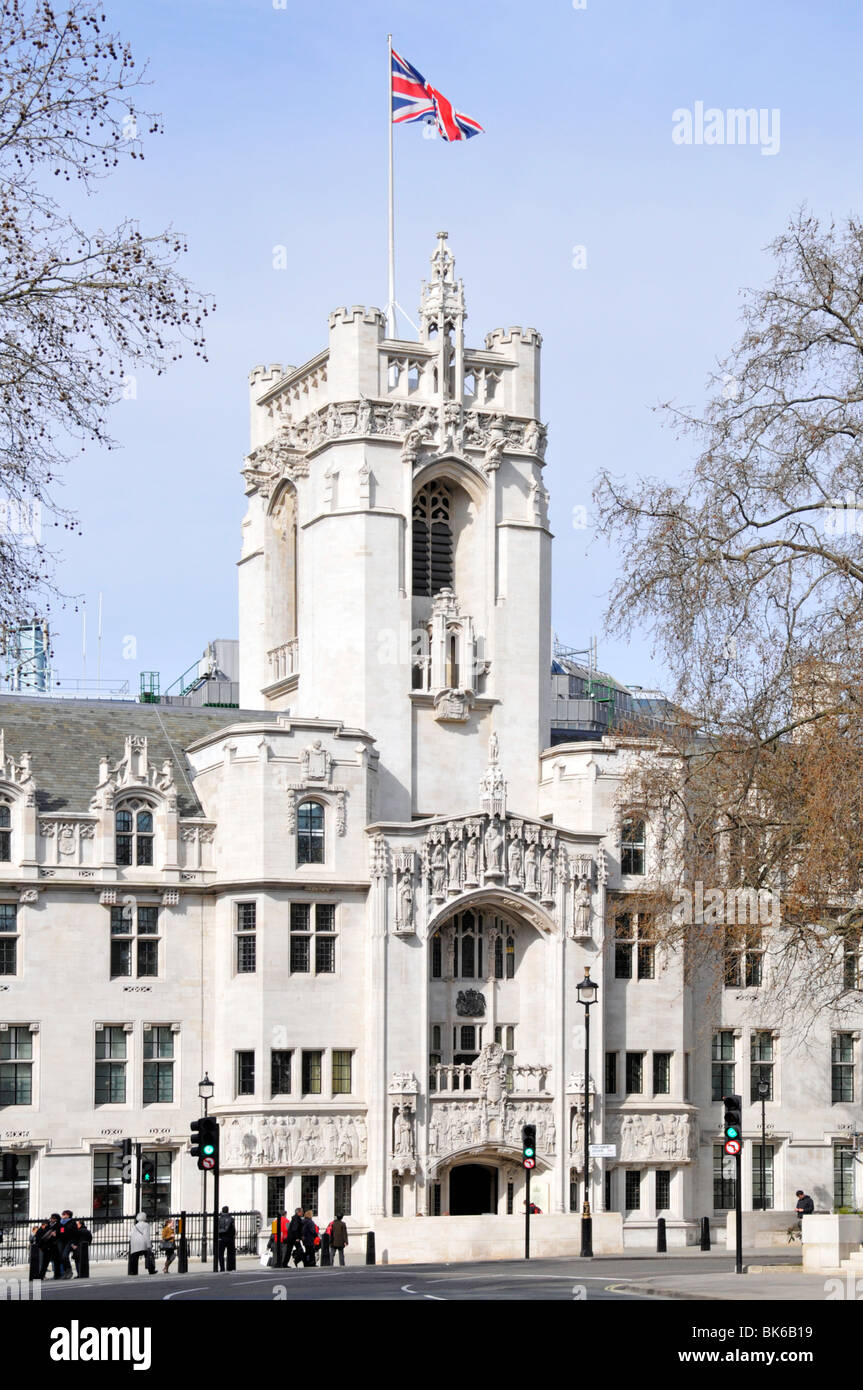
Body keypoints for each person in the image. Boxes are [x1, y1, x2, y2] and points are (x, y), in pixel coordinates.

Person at [39, 1214, 64, 1280]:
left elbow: (63, 1234)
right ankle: (42, 1275)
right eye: (51, 1218)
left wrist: (57, 1234)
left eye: (53, 1218)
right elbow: (43, 1234)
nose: (51, 1219)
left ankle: (57, 1275)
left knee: (56, 1262)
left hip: (55, 1246)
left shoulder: (61, 1226)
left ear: (56, 1219)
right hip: (47, 1246)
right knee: (45, 1262)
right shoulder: (48, 1225)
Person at [57, 1210, 77, 1280]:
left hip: (69, 1241)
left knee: (65, 1256)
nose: (62, 1215)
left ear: (68, 1215)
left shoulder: (72, 1222)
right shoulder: (60, 1222)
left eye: (64, 1214)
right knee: (61, 1257)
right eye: (62, 1214)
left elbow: (75, 1233)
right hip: (61, 1241)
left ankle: (69, 1271)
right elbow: (58, 1231)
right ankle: (66, 1272)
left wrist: (74, 1243)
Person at [217, 1206, 235, 1272]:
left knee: (220, 1254)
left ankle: (222, 1268)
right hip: (230, 1238)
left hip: (221, 1238)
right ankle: (230, 1267)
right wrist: (232, 1236)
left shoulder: (219, 1219)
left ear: (222, 1211)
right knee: (230, 1253)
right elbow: (233, 1230)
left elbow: (216, 1229)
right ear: (228, 1211)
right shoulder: (231, 1219)